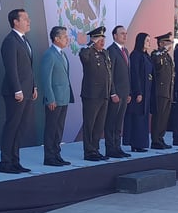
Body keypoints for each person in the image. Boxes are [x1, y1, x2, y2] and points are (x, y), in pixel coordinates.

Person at [0, 9, 37, 174]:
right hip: (16, 92)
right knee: (12, 126)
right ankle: (6, 163)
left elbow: (28, 67)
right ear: (15, 21)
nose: (29, 21)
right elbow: (11, 68)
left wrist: (33, 86)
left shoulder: (24, 40)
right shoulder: (10, 41)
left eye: (29, 18)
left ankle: (15, 160)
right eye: (25, 18)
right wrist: (17, 89)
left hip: (27, 91)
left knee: (21, 127)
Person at [40, 26, 75, 166]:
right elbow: (45, 78)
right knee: (51, 128)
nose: (67, 39)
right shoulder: (50, 54)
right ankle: (49, 157)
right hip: (54, 99)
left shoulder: (62, 54)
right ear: (56, 38)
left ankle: (57, 154)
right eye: (64, 37)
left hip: (64, 97)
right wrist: (50, 98)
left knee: (59, 128)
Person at [79, 26, 112, 161]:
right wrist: (91, 44)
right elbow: (84, 58)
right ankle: (89, 151)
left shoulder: (105, 53)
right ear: (93, 40)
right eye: (99, 38)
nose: (102, 41)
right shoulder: (87, 52)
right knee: (90, 124)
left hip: (104, 94)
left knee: (99, 125)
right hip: (91, 95)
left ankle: (96, 149)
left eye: (103, 38)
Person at [123, 32, 154, 152]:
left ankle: (141, 143)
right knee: (136, 118)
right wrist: (138, 92)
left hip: (147, 91)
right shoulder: (135, 55)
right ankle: (135, 143)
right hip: (139, 93)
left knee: (143, 118)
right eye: (147, 40)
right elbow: (134, 74)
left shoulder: (146, 56)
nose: (149, 43)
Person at [104, 26, 131, 158]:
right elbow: (110, 74)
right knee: (111, 121)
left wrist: (129, 92)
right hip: (115, 94)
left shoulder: (125, 50)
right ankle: (110, 148)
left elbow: (127, 74)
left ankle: (117, 146)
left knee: (119, 122)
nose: (125, 36)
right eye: (122, 34)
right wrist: (113, 92)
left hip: (124, 93)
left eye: (126, 34)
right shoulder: (111, 51)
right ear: (114, 36)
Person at [150, 32, 173, 149]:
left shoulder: (167, 56)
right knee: (158, 116)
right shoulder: (156, 54)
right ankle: (155, 140)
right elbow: (157, 62)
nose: (170, 45)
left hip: (168, 91)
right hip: (160, 91)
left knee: (164, 117)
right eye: (168, 42)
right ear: (161, 43)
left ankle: (160, 138)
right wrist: (164, 50)